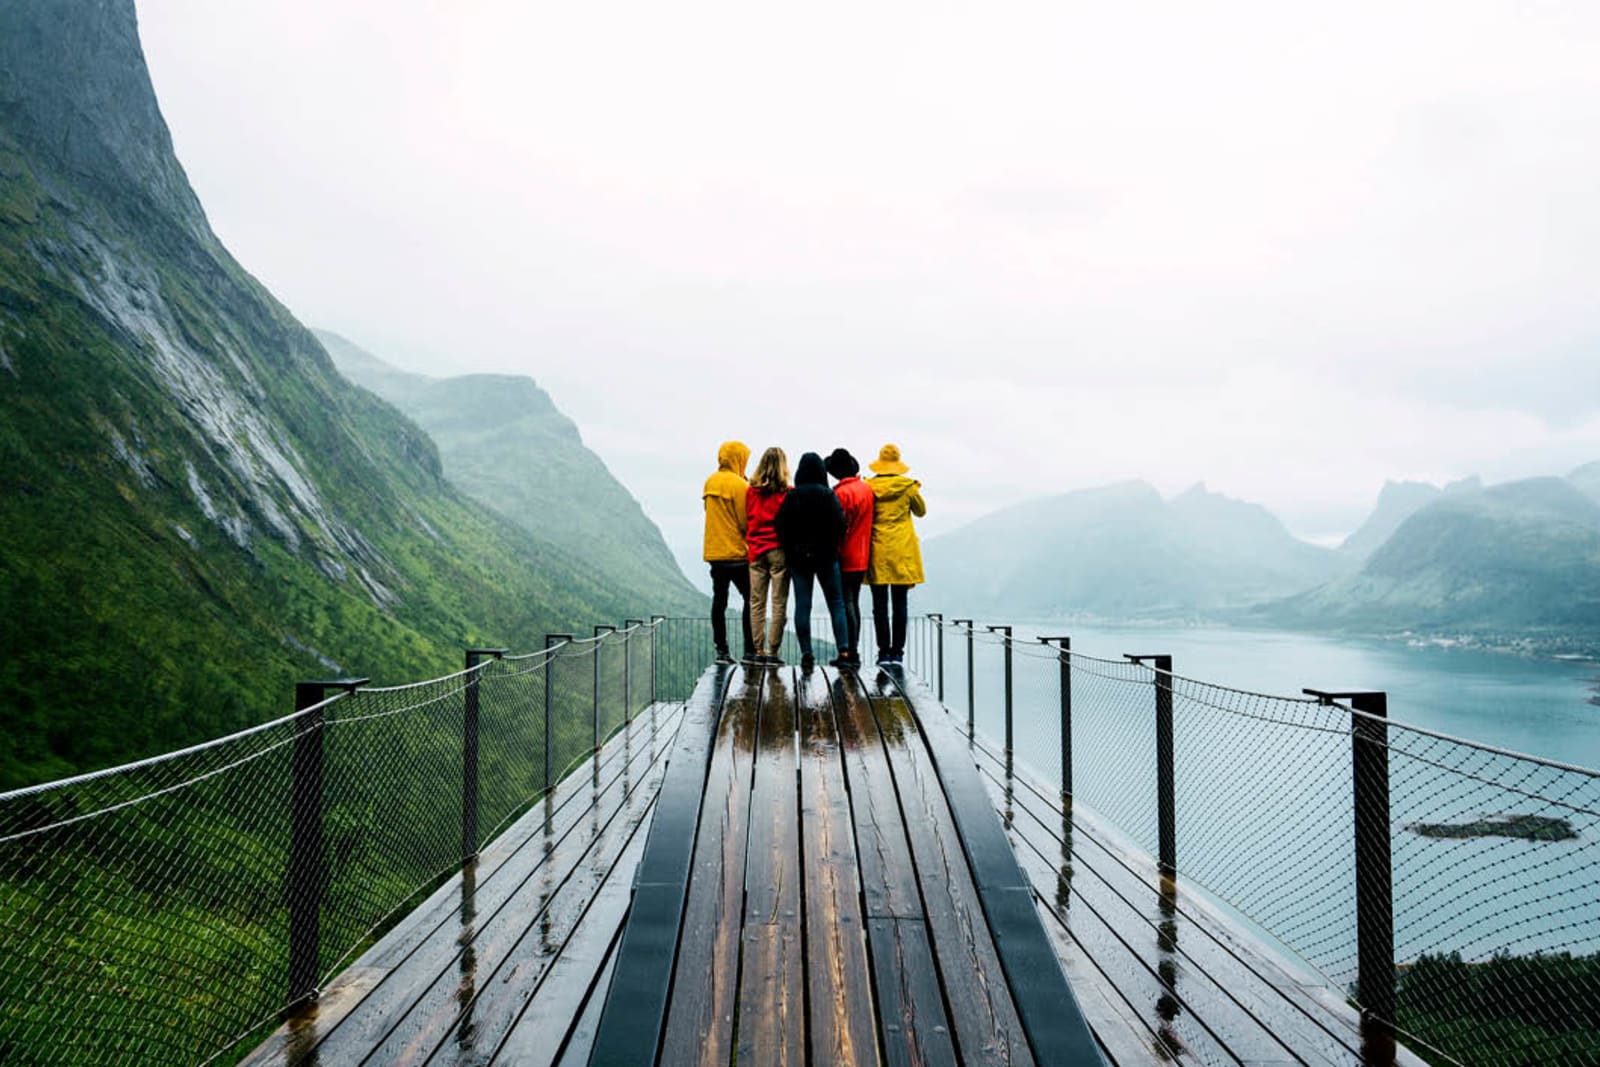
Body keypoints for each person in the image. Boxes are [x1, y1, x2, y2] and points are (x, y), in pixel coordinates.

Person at [775, 452, 848, 670]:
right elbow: (841, 525)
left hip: (798, 560)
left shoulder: (793, 496)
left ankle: (807, 653)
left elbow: (780, 526)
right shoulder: (828, 495)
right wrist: (831, 545)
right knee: (836, 603)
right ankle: (844, 650)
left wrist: (792, 549)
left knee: (802, 605)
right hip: (827, 557)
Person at [865, 443, 926, 665]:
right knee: (900, 604)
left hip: (878, 549)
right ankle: (897, 653)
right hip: (902, 550)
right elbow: (921, 511)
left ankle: (883, 651)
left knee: (879, 605)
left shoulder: (870, 486)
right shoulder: (908, 487)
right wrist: (915, 489)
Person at [703, 440, 754, 665]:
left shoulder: (710, 482)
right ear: (738, 459)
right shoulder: (740, 486)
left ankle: (721, 650)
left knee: (719, 601)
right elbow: (745, 522)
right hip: (737, 554)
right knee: (750, 599)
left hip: (715, 554)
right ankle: (750, 649)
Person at [825, 447, 872, 670]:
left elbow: (837, 527)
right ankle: (854, 648)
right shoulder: (866, 490)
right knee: (854, 601)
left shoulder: (841, 494)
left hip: (846, 555)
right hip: (863, 554)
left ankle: (849, 652)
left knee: (846, 603)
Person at [745, 446, 791, 666]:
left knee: (756, 602)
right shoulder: (786, 493)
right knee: (778, 602)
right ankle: (773, 651)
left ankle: (757, 649)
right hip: (778, 550)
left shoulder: (750, 491)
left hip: (755, 550)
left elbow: (748, 517)